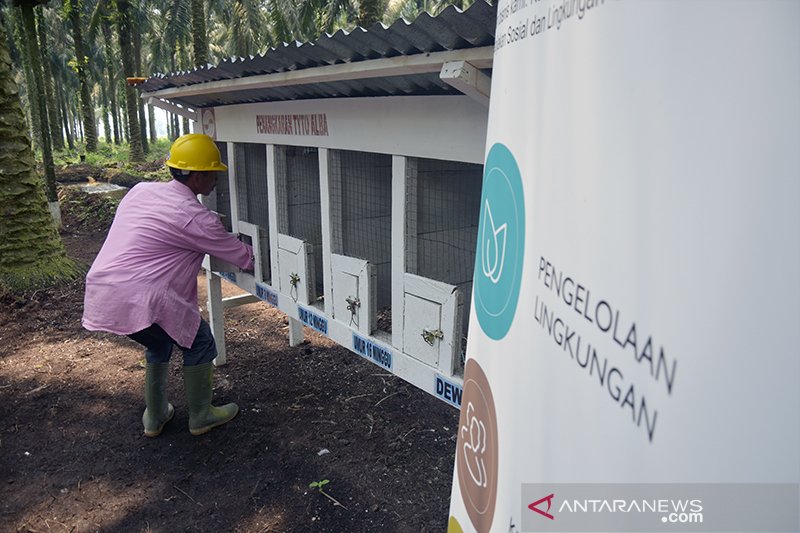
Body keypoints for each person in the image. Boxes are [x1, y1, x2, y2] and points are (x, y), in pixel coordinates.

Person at [82, 133, 254, 438]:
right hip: (143, 296)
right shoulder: (196, 219)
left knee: (158, 342)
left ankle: (156, 416)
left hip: (103, 289)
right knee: (201, 342)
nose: (217, 178)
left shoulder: (140, 191)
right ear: (198, 177)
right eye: (213, 172)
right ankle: (201, 415)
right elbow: (245, 259)